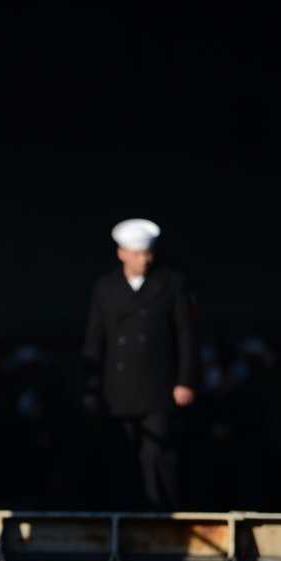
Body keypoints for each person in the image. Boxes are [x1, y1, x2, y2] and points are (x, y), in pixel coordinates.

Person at [81, 218, 200, 512]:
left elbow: (186, 336)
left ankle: (161, 513)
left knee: (156, 452)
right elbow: (95, 340)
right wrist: (90, 387)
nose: (144, 259)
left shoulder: (172, 283)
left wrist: (185, 380)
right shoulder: (105, 287)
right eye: (137, 254)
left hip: (159, 384)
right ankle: (124, 515)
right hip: (117, 388)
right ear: (121, 253)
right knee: (121, 455)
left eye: (147, 253)